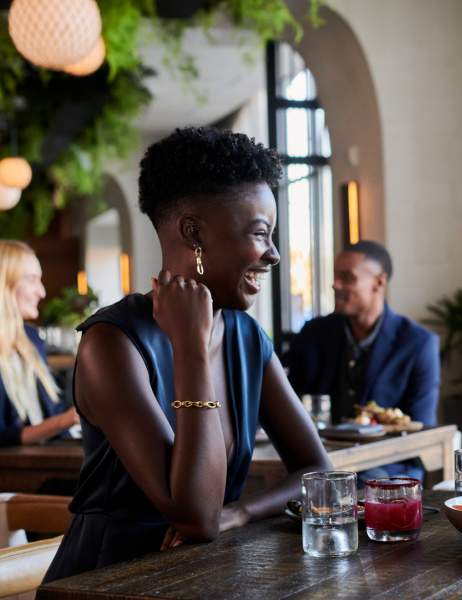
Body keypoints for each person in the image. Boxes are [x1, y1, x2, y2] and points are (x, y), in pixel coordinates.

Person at [43, 127, 330, 581]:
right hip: (106, 582)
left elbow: (317, 470)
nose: (273, 254)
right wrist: (192, 349)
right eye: (260, 233)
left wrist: (242, 513)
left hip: (200, 574)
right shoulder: (112, 343)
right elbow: (196, 516)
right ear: (194, 233)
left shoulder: (247, 336)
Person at [286, 240, 440, 480]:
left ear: (379, 282)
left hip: (389, 470)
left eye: (347, 277)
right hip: (318, 466)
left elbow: (419, 430)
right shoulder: (313, 334)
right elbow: (289, 404)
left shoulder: (418, 343)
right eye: (335, 276)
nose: (335, 285)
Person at [0, 240, 78, 446]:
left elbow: (54, 410)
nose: (42, 292)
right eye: (31, 279)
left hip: (48, 457)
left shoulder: (31, 337)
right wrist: (63, 421)